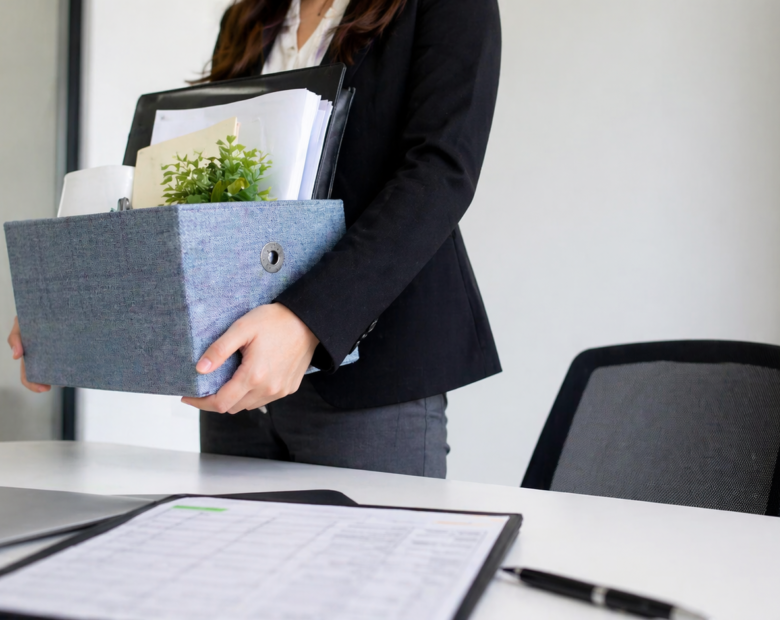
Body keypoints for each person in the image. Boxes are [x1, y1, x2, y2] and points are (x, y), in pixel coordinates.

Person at [8, 0, 502, 479]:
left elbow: (440, 173)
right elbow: (198, 188)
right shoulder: (249, 17)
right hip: (236, 367)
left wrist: (307, 319)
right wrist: (71, 302)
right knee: (236, 559)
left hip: (372, 373)